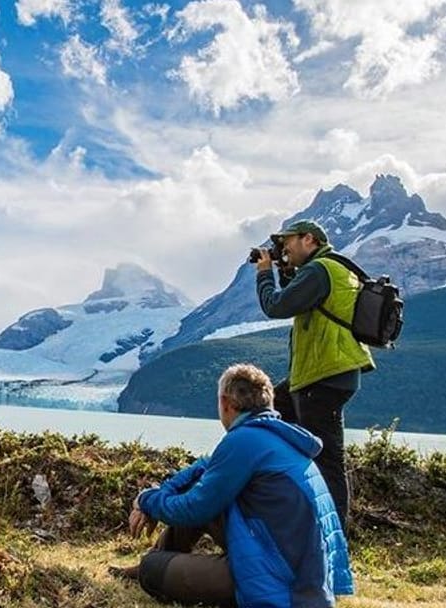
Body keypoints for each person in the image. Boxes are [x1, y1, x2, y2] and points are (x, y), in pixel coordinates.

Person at [113, 364, 352, 607]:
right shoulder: (274, 436)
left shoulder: (244, 440)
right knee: (202, 491)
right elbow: (205, 468)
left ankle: (151, 564)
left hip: (280, 586)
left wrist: (146, 501)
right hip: (301, 576)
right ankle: (157, 558)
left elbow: (194, 508)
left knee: (152, 570)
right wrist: (155, 494)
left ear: (225, 403)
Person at [253, 220, 374, 530]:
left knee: (328, 460)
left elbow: (276, 306)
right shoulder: (333, 267)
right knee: (269, 418)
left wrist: (265, 272)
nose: (284, 249)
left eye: (288, 242)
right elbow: (302, 296)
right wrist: (284, 268)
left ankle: (333, 537)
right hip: (324, 375)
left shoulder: (319, 270)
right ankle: (289, 515)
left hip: (322, 376)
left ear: (308, 239)